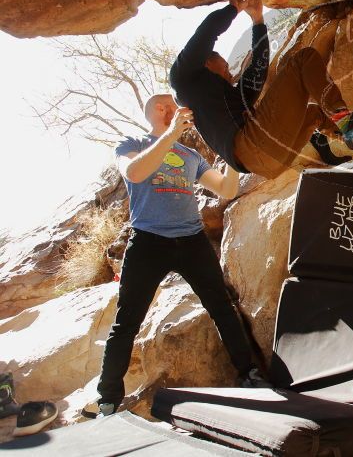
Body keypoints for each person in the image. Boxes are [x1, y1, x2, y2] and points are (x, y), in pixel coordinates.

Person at [82, 94, 267, 418]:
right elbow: (136, 174)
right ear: (149, 113)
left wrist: (234, 160)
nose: (170, 110)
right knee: (126, 322)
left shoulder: (189, 155)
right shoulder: (131, 144)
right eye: (162, 106)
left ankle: (249, 374)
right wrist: (169, 136)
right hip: (149, 242)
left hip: (192, 240)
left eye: (174, 106)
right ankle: (108, 398)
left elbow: (225, 190)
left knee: (222, 307)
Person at [169, 0, 353, 178]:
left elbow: (258, 69)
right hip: (253, 144)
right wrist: (234, 7)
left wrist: (257, 20)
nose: (229, 72)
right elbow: (206, 34)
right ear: (207, 61)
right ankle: (348, 125)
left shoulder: (229, 99)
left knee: (315, 113)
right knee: (303, 59)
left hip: (266, 163)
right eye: (225, 66)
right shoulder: (182, 78)